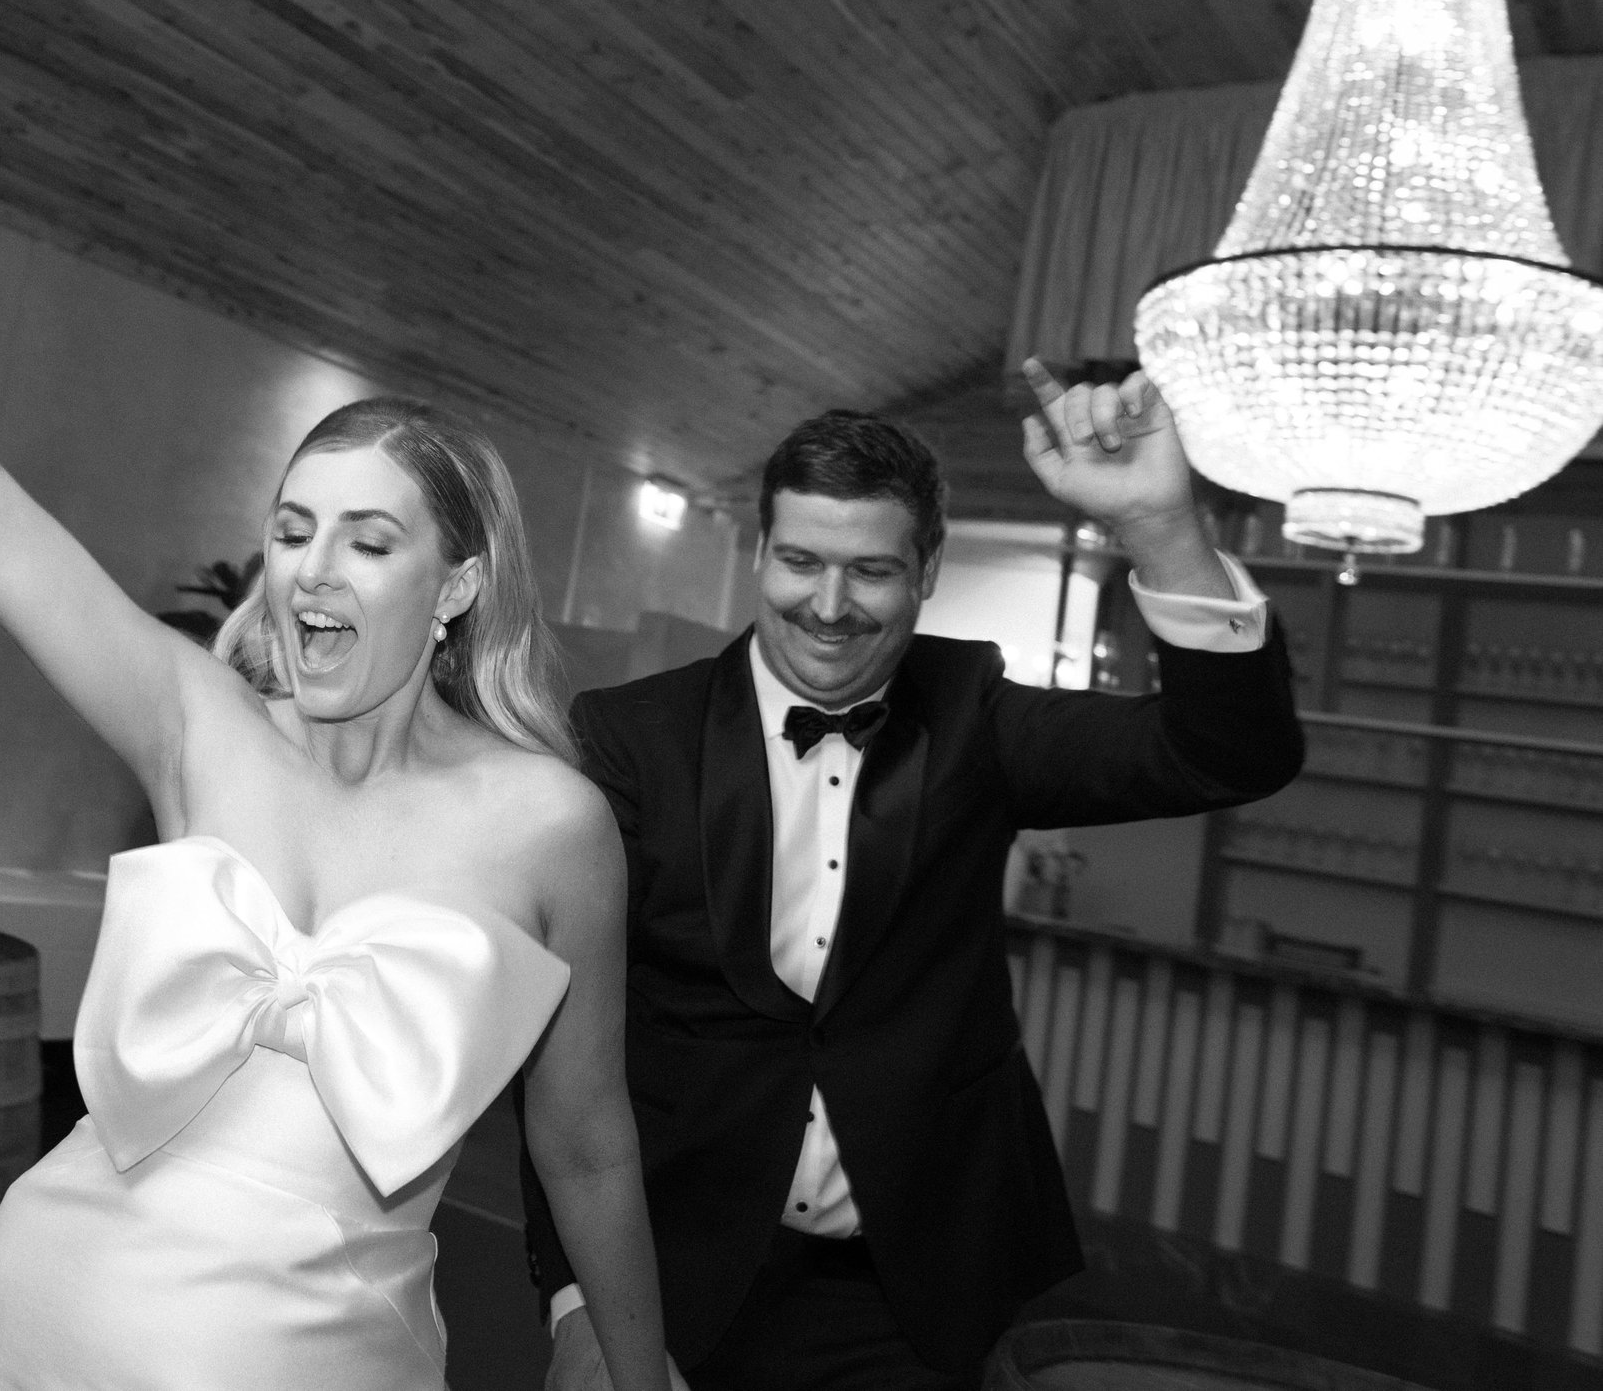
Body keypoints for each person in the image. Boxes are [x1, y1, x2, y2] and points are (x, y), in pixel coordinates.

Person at [0, 111, 676, 1391]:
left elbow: (587, 1142)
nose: (313, 568)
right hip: (46, 1300)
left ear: (454, 586)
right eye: (291, 528)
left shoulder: (550, 822)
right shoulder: (193, 720)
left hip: (323, 1354)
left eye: (369, 541)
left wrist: (640, 1367)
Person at [522, 380, 1305, 1391]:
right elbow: (560, 1045)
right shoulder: (626, 738)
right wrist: (578, 1298)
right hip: (662, 1267)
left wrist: (1157, 525)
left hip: (904, 1291)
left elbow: (1230, 752)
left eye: (872, 570)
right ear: (760, 551)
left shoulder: (975, 715)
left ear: (926, 569)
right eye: (801, 560)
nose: (829, 605)